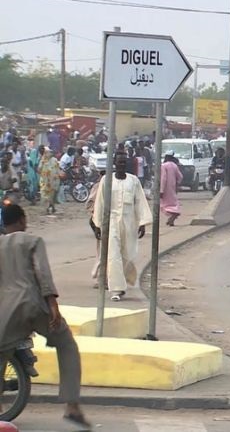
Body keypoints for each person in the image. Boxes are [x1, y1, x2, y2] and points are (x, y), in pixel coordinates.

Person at [0, 204, 90, 428]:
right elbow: (42, 272)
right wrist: (53, 305)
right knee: (67, 344)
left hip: (7, 310)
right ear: (22, 220)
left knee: (2, 354)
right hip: (34, 305)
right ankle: (72, 406)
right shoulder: (33, 241)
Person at [92, 151, 153, 301]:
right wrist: (98, 225)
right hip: (111, 222)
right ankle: (116, 290)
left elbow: (139, 201)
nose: (121, 165)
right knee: (113, 255)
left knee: (128, 254)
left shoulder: (133, 181)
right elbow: (100, 202)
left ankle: (126, 278)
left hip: (129, 222)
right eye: (119, 162)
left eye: (124, 162)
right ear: (114, 163)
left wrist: (142, 223)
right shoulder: (106, 180)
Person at [161, 151, 183, 226]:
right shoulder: (174, 165)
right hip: (173, 187)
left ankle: (174, 214)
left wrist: (161, 190)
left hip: (165, 188)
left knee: (165, 204)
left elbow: (163, 178)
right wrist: (177, 183)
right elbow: (180, 177)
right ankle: (172, 218)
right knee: (173, 202)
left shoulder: (164, 166)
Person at [39, 148, 61, 214]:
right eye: (48, 152)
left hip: (53, 181)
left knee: (52, 195)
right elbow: (39, 169)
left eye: (50, 152)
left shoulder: (54, 160)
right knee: (45, 195)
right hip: (45, 181)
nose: (49, 154)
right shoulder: (42, 160)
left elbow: (57, 169)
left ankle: (51, 208)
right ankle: (47, 209)